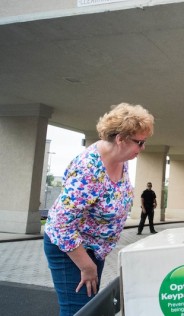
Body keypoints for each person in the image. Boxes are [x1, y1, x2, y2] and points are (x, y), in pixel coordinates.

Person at [43, 102, 154, 315]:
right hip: (71, 250)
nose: (143, 148)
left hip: (94, 248)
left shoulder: (122, 158)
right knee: (79, 312)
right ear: (121, 139)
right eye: (140, 143)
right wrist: (86, 266)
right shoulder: (89, 169)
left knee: (90, 309)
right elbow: (60, 224)